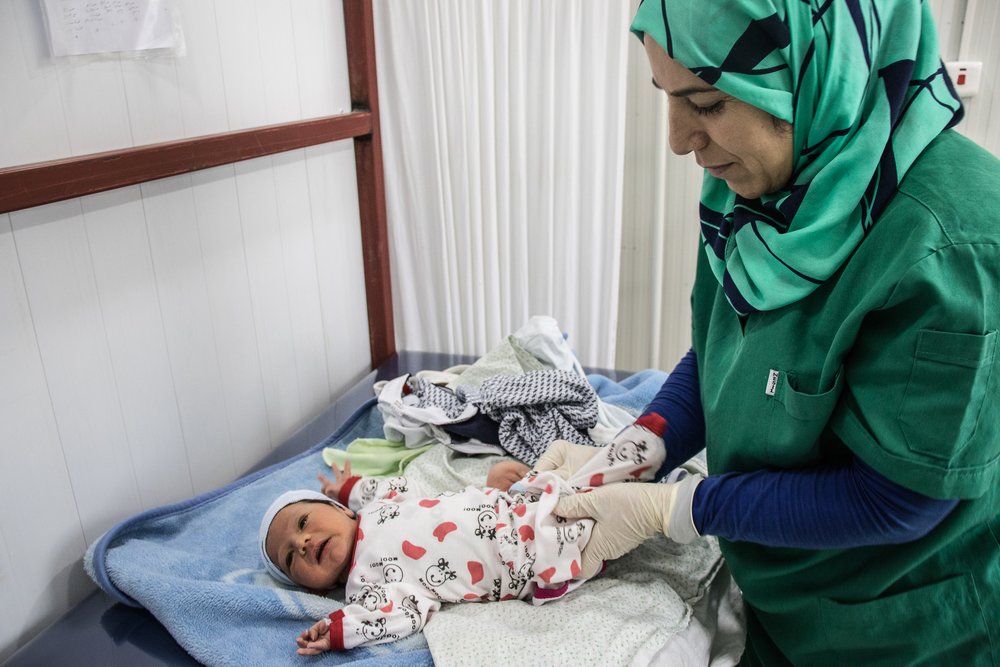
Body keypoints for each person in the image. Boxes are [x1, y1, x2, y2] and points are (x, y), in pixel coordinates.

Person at [540, 2, 1000, 666]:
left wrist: (675, 507)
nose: (677, 140)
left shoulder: (956, 250)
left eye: (703, 102)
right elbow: (731, 352)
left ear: (820, 67)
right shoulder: (754, 194)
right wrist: (644, 443)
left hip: (906, 628)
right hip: (782, 602)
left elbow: (897, 499)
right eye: (667, 98)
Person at [258, 415, 673, 653]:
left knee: (560, 482)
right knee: (593, 528)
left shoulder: (376, 509)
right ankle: (648, 496)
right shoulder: (365, 587)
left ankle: (625, 461)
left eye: (302, 524)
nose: (303, 543)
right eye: (291, 559)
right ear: (309, 586)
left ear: (338, 511)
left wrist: (349, 488)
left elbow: (397, 487)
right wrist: (338, 631)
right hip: (531, 558)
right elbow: (401, 616)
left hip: (514, 506)